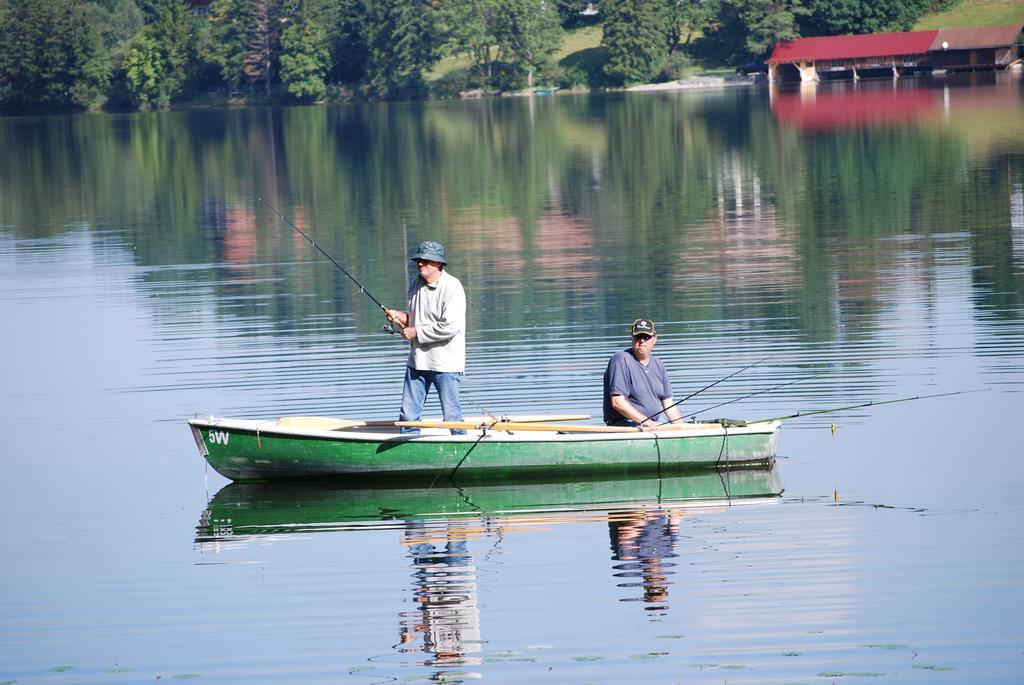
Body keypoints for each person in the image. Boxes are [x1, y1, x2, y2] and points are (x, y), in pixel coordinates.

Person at [385, 241, 467, 434]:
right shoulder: (415, 284)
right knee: (408, 416)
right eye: (419, 260)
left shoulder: (452, 287)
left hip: (445, 363)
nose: (421, 264)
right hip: (417, 361)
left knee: (452, 416)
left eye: (426, 261)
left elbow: (450, 327)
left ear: (439, 264)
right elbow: (415, 319)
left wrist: (416, 332)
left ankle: (460, 449)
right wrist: (400, 317)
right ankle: (408, 451)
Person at [603, 318, 683, 429]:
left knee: (677, 427)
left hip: (655, 423)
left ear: (654, 339)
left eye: (646, 337)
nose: (642, 341)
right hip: (626, 425)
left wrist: (682, 428)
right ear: (632, 337)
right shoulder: (620, 359)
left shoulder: (658, 364)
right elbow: (617, 402)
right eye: (638, 337)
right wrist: (650, 424)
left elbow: (668, 403)